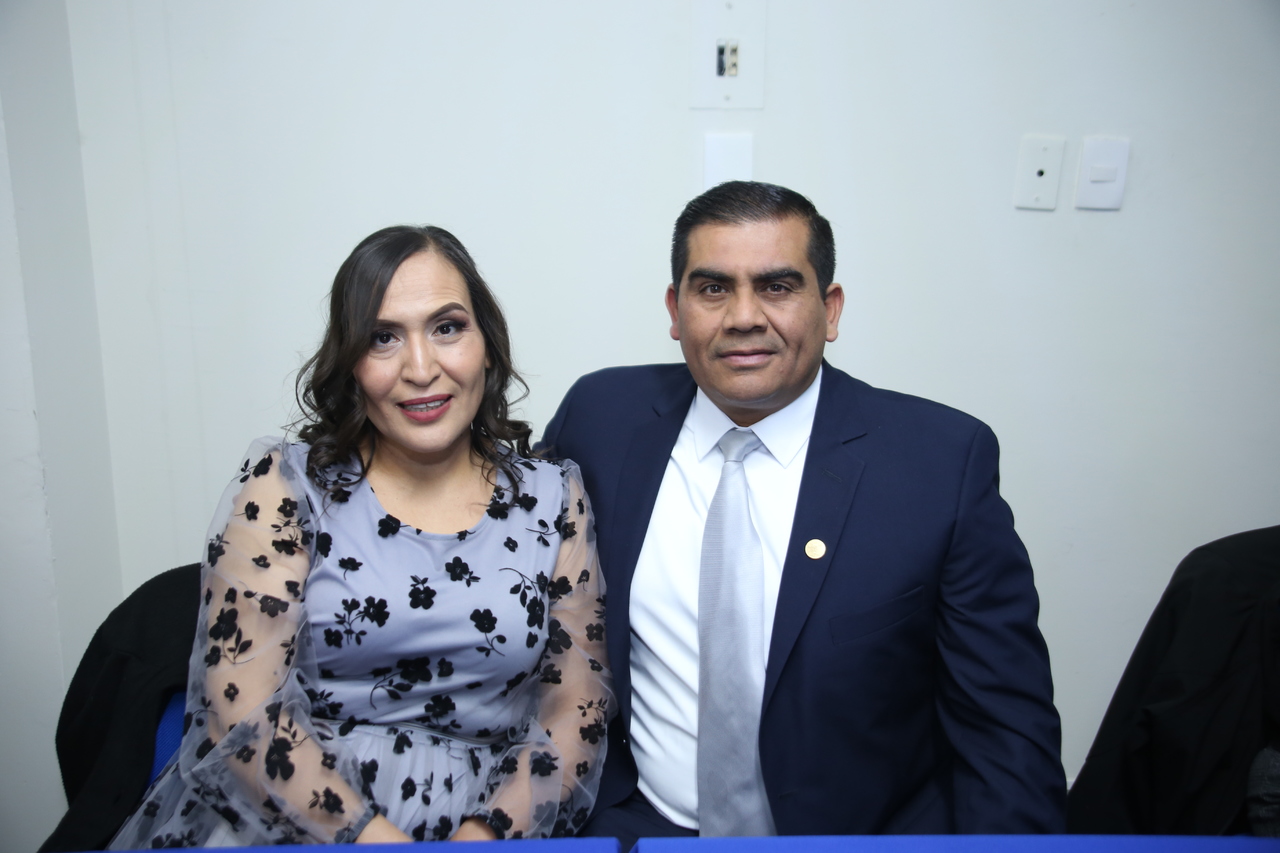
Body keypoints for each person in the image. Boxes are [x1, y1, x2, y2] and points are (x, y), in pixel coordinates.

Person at [540, 181, 1065, 846]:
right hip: (641, 828)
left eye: (778, 286)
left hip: (860, 837)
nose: (744, 316)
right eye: (713, 288)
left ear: (830, 308)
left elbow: (1003, 729)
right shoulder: (601, 418)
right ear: (675, 309)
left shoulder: (939, 465)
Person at [110, 225, 613, 847]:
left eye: (447, 327)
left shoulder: (555, 496)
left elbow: (578, 709)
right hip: (294, 817)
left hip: (486, 825)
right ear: (350, 362)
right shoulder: (285, 485)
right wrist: (371, 840)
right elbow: (239, 713)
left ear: (487, 344)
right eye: (383, 338)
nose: (421, 369)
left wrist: (485, 836)